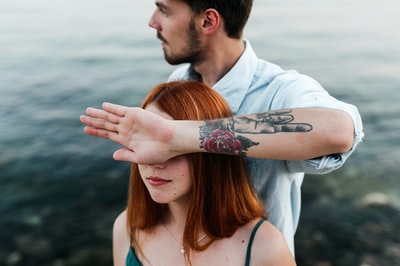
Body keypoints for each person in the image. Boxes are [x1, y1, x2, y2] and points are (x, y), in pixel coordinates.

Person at [80, 0, 364, 254]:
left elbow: (337, 131)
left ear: (208, 21)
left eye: (164, 10)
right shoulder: (180, 80)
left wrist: (175, 136)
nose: (153, 21)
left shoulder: (278, 91)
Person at [112, 80, 296, 266]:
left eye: (173, 146)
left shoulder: (265, 248)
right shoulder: (126, 228)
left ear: (209, 154)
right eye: (146, 141)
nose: (154, 160)